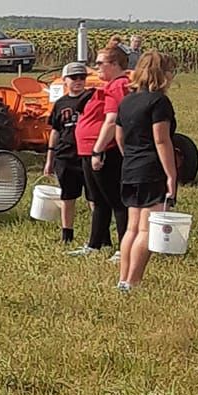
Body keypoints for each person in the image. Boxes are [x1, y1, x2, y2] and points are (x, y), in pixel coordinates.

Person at [114, 51, 179, 293]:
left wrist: (131, 157)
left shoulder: (127, 101)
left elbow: (119, 137)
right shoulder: (159, 102)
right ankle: (133, 282)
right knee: (146, 229)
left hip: (130, 167)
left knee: (131, 228)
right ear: (162, 74)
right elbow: (161, 140)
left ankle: (122, 279)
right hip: (152, 169)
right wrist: (171, 175)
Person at [73, 41, 130, 256]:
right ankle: (95, 243)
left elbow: (113, 119)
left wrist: (99, 149)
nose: (96, 68)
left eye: (100, 63)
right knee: (98, 199)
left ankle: (123, 247)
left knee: (115, 200)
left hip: (103, 150)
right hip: (88, 149)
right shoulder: (110, 86)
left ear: (114, 64)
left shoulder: (118, 86)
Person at [43, 60, 91, 246]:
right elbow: (55, 131)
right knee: (67, 196)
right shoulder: (61, 104)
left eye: (82, 77)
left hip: (86, 154)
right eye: (74, 77)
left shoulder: (90, 98)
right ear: (65, 80)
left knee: (93, 197)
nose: (78, 81)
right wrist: (50, 159)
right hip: (65, 155)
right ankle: (67, 234)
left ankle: (98, 234)